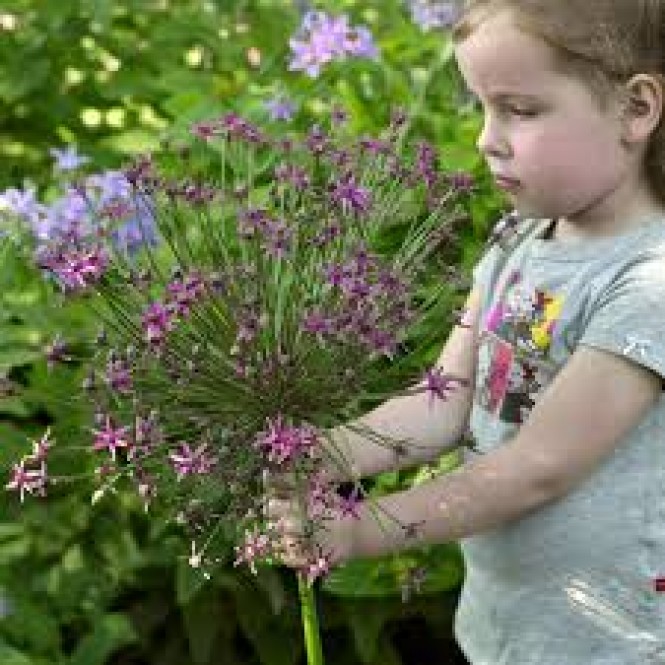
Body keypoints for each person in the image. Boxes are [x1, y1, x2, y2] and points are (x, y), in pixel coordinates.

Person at [268, 1, 665, 662]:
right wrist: (322, 453)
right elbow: (443, 400)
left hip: (609, 642)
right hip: (506, 623)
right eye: (481, 106)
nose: (486, 138)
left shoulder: (647, 282)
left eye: (519, 109)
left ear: (635, 108)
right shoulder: (518, 239)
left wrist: (361, 529)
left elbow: (537, 467)